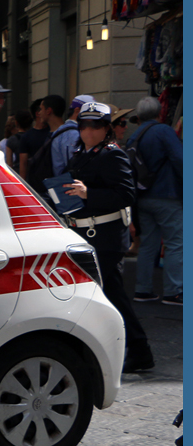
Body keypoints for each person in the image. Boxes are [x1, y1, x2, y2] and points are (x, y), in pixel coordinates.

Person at [61, 101, 153, 372]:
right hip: (87, 234)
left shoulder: (112, 155)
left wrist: (88, 193)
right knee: (107, 294)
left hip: (105, 237)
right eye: (84, 125)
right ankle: (134, 349)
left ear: (106, 128)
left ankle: (136, 349)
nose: (89, 131)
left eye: (96, 126)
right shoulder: (81, 153)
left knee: (105, 295)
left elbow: (126, 195)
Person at [128, 96, 183, 306]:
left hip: (143, 196)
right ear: (160, 113)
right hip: (167, 195)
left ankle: (143, 289)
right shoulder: (164, 131)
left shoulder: (135, 136)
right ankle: (174, 291)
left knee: (148, 244)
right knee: (176, 243)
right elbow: (180, 159)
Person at [51, 94, 93, 176]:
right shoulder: (72, 134)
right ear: (77, 111)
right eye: (90, 113)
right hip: (67, 184)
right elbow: (73, 167)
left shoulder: (65, 130)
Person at [17, 98, 52, 179]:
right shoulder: (26, 137)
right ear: (38, 113)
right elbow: (23, 164)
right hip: (34, 183)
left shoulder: (53, 132)